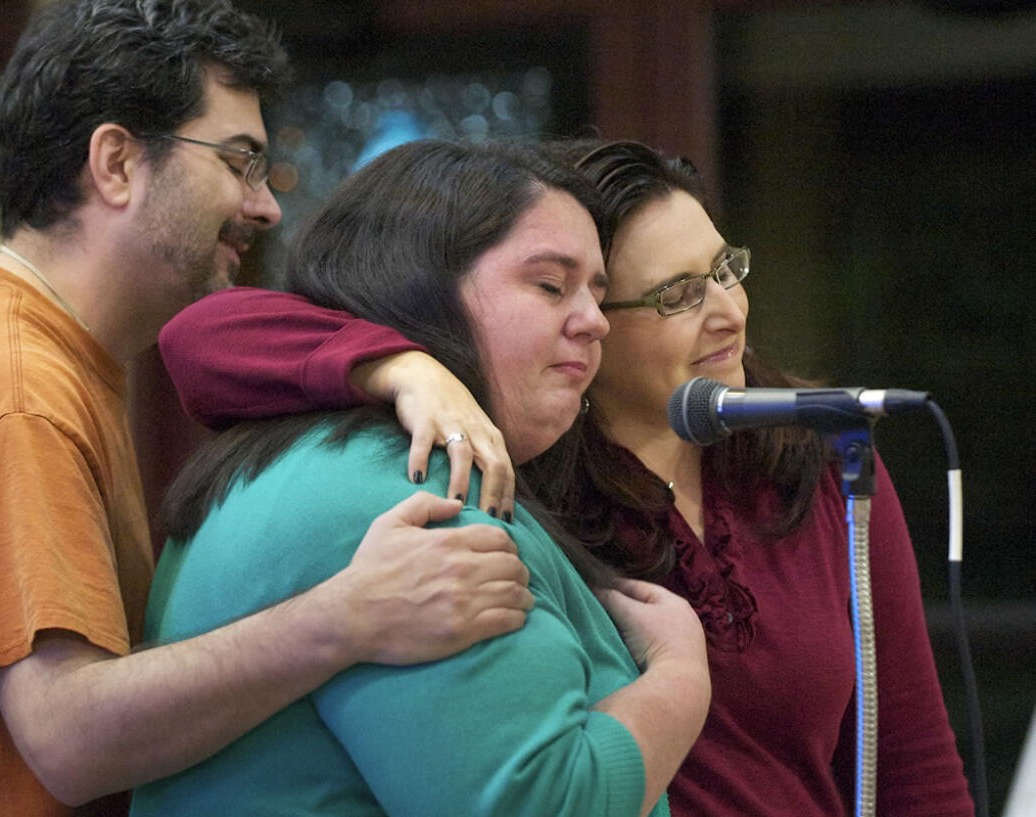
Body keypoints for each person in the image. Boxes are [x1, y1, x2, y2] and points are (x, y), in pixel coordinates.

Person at [0, 2, 534, 814]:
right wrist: (351, 615)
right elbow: (70, 738)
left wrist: (398, 367)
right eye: (239, 161)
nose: (266, 207)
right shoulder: (15, 393)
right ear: (116, 163)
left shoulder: (36, 353)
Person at [156, 139, 974, 817]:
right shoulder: (511, 466)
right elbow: (203, 335)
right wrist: (402, 367)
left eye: (728, 270)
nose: (727, 310)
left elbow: (912, 759)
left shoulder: (814, 454)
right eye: (677, 293)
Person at [131, 139, 711, 817]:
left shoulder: (318, 451)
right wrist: (680, 676)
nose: (593, 322)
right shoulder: (419, 492)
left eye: (596, 293)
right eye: (551, 285)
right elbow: (545, 804)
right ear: (422, 285)